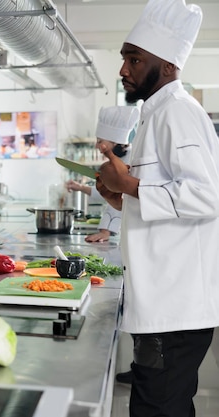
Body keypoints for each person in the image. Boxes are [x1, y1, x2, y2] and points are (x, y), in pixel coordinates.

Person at [96, 1, 219, 416]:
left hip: (175, 306)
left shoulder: (178, 114)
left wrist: (128, 183)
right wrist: (120, 195)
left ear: (167, 66)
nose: (124, 70)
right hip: (162, 301)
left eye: (135, 59)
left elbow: (206, 196)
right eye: (125, 58)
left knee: (157, 409)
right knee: (159, 405)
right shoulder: (155, 115)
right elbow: (165, 195)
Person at [66, 106, 139, 243]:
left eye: (100, 141)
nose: (96, 146)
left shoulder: (128, 163)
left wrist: (105, 231)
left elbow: (121, 198)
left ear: (115, 141)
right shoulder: (120, 160)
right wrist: (81, 187)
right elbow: (107, 193)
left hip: (130, 232)